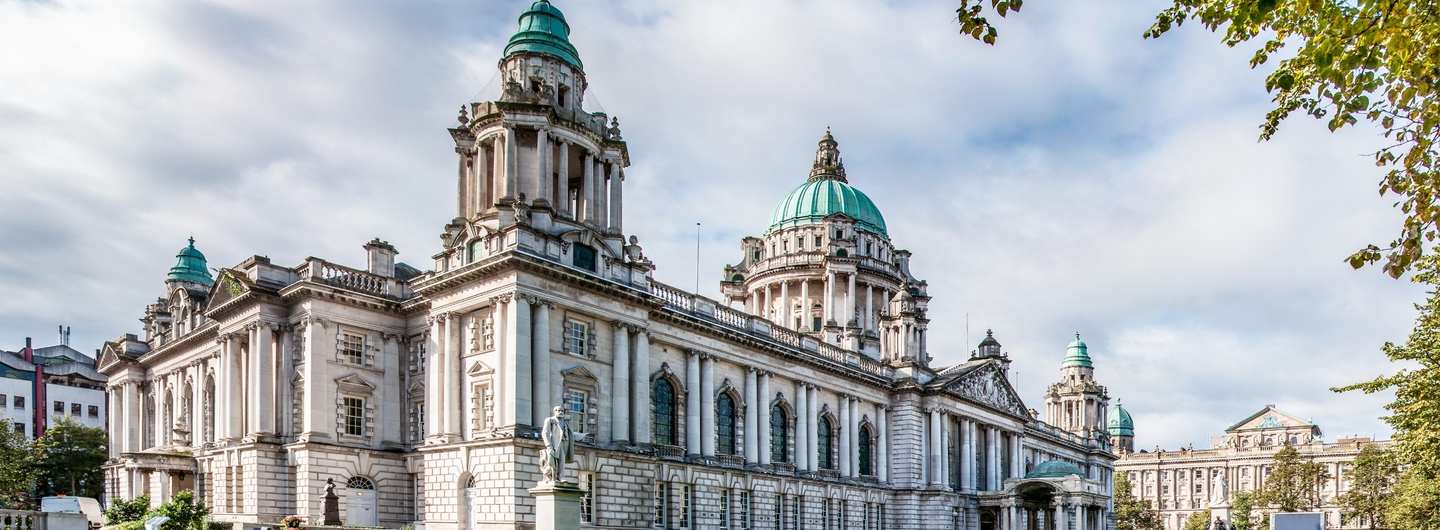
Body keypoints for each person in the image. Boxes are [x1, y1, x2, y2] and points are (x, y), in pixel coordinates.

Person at [540, 406, 574, 484]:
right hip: (555, 444)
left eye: (562, 411)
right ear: (554, 412)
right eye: (558, 410)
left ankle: (560, 476)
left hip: (565, 443)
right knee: (558, 459)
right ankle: (559, 477)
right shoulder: (550, 420)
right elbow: (545, 433)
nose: (560, 412)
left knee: (562, 460)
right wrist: (549, 445)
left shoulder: (565, 423)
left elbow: (570, 434)